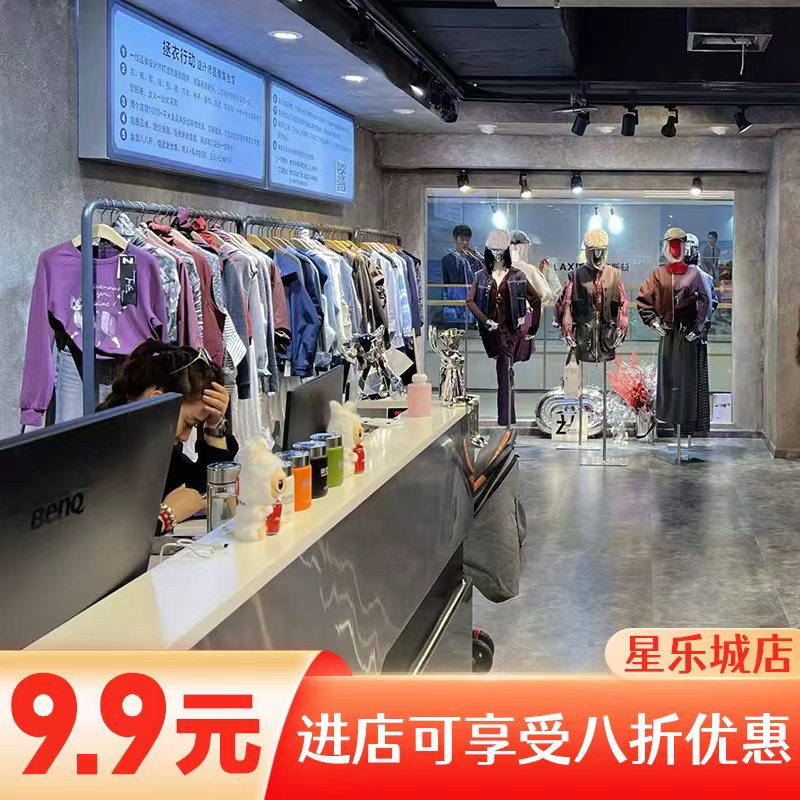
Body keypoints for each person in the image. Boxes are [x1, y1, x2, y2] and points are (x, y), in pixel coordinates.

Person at [99, 339, 237, 532]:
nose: (185, 437)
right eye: (189, 423)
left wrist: (214, 427)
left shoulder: (160, 451)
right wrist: (165, 517)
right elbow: (97, 536)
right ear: (157, 402)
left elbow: (199, 493)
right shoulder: (98, 454)